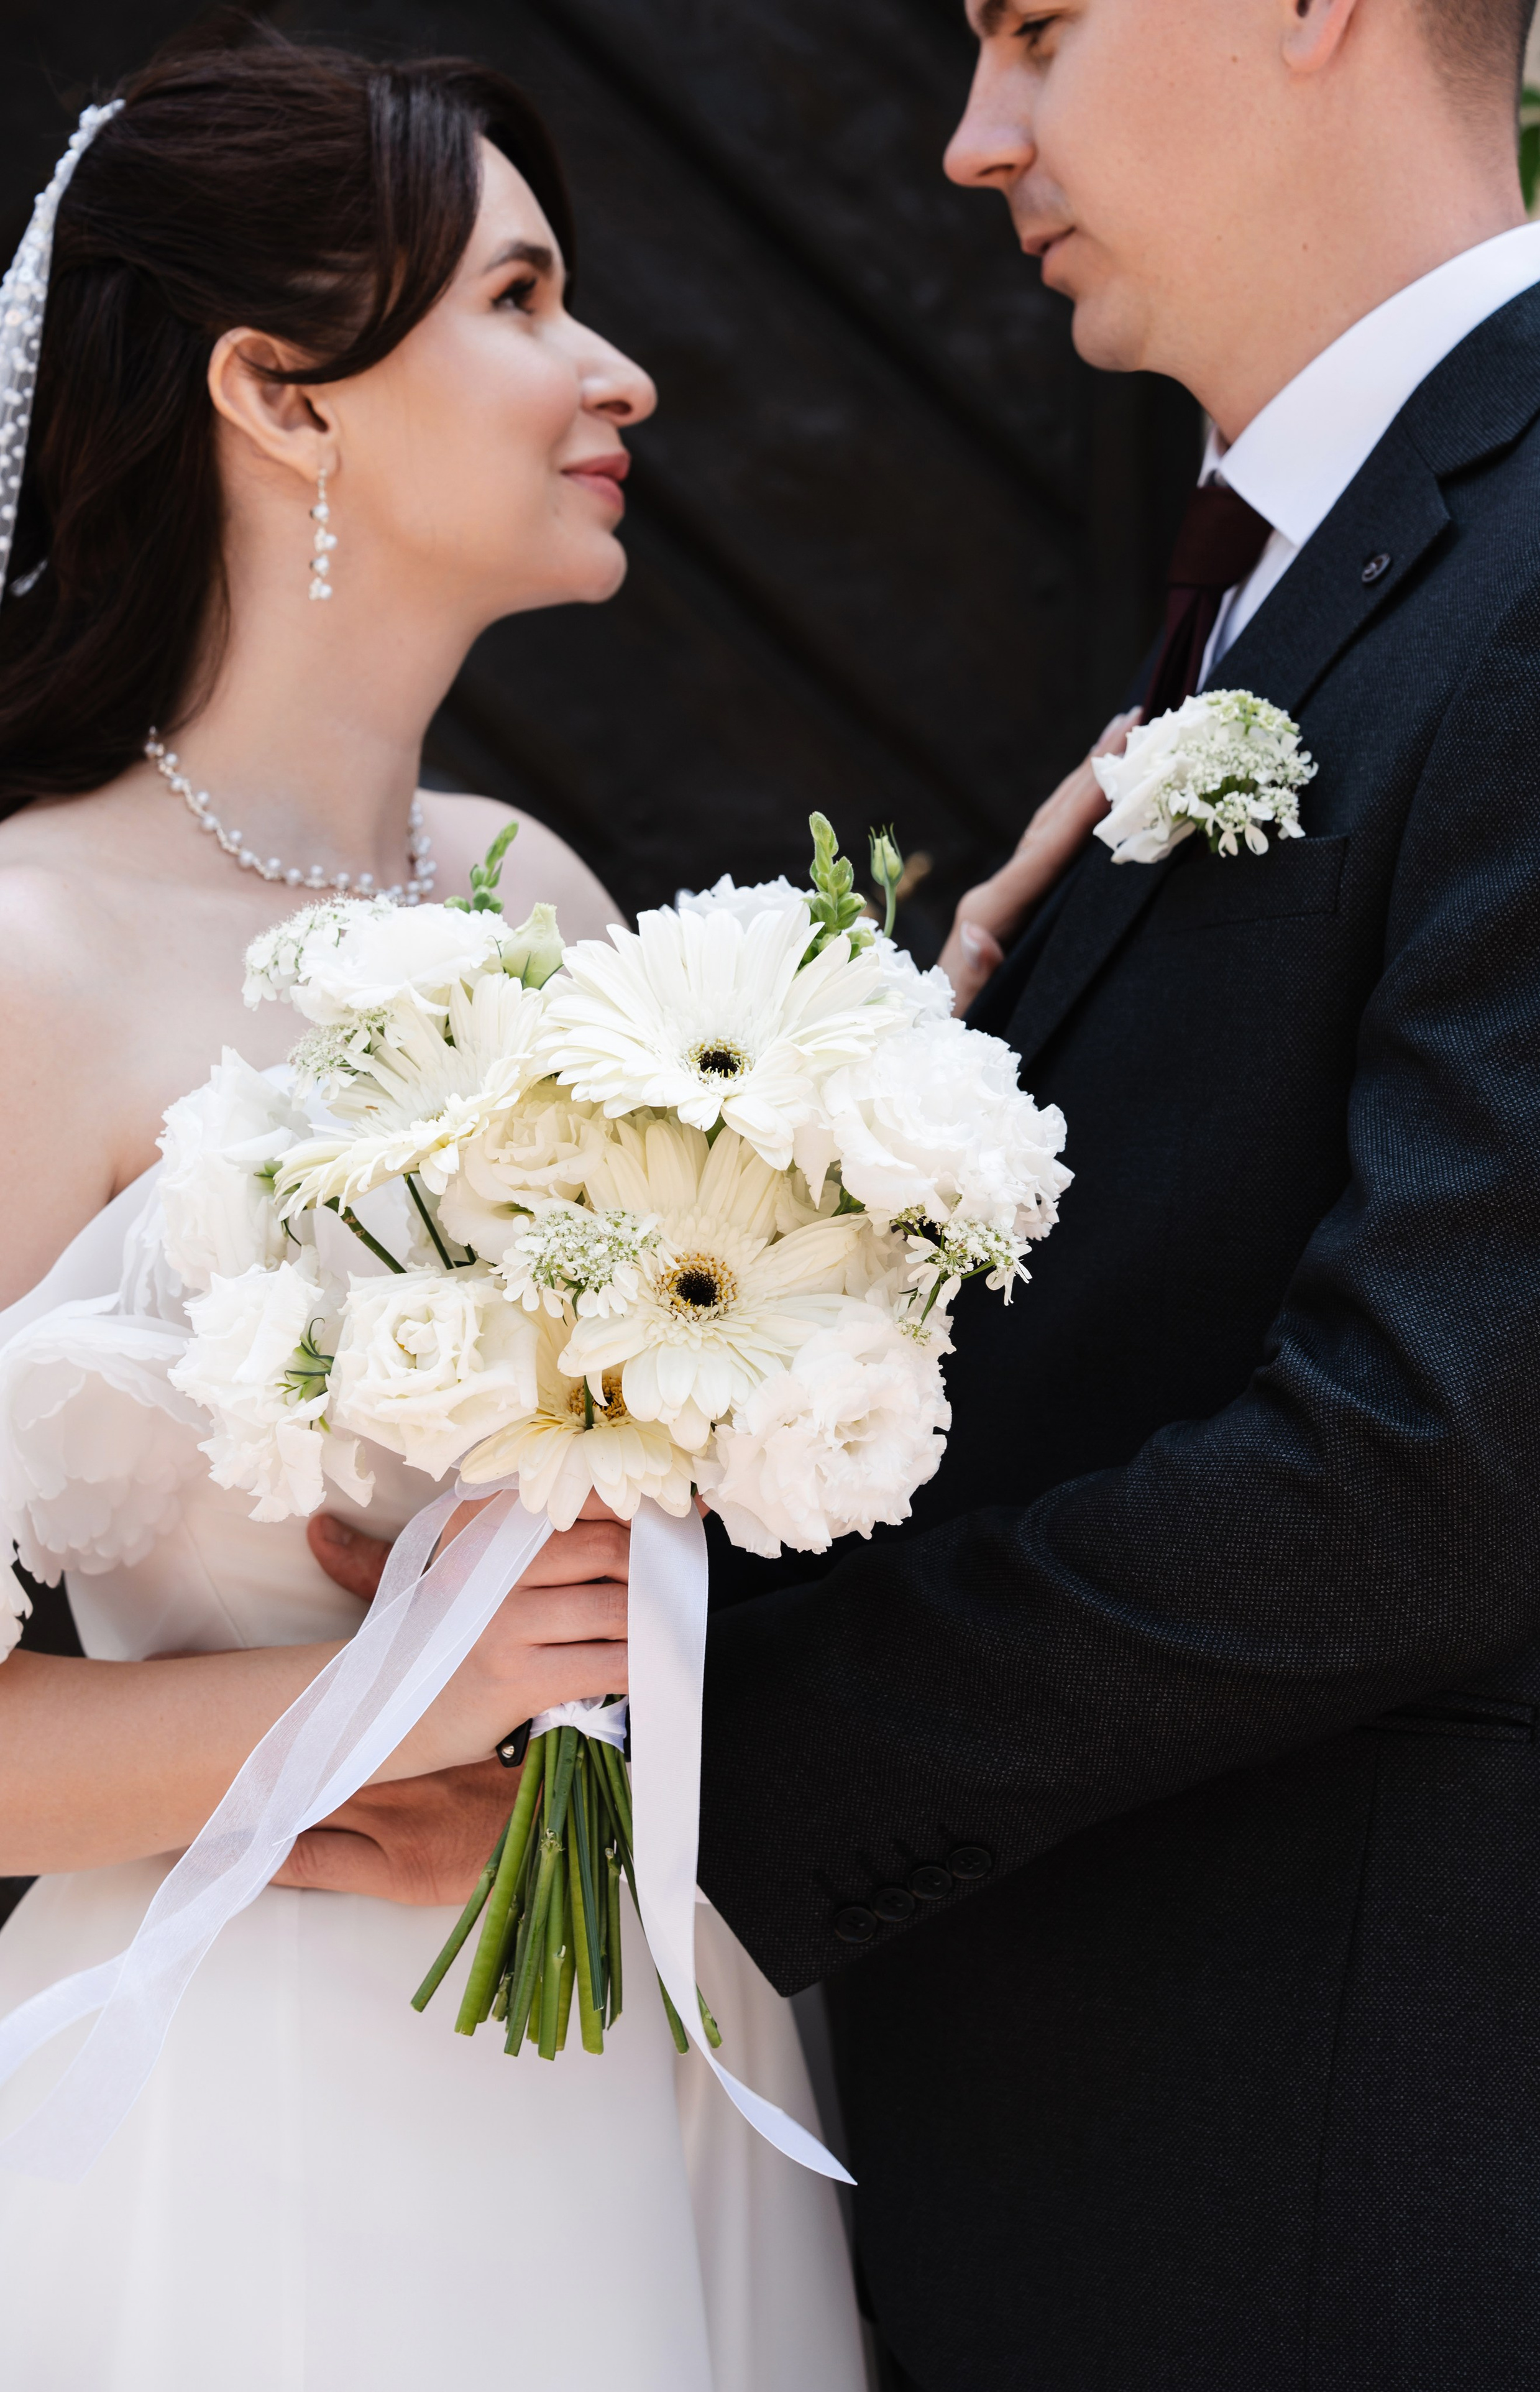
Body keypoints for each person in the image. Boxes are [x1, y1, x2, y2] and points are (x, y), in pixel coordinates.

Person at [687, 0, 1540, 2386]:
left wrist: (706, 1769)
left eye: (1038, 29)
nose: (979, 145)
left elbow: (1424, 1468)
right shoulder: (1342, 557)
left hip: (1344, 2216)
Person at [0, 29, 864, 2391]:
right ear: (283, 397)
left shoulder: (534, 894)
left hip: (609, 2035)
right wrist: (396, 1698)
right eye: (521, 296)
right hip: (242, 2077)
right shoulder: (28, 955)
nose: (622, 372)